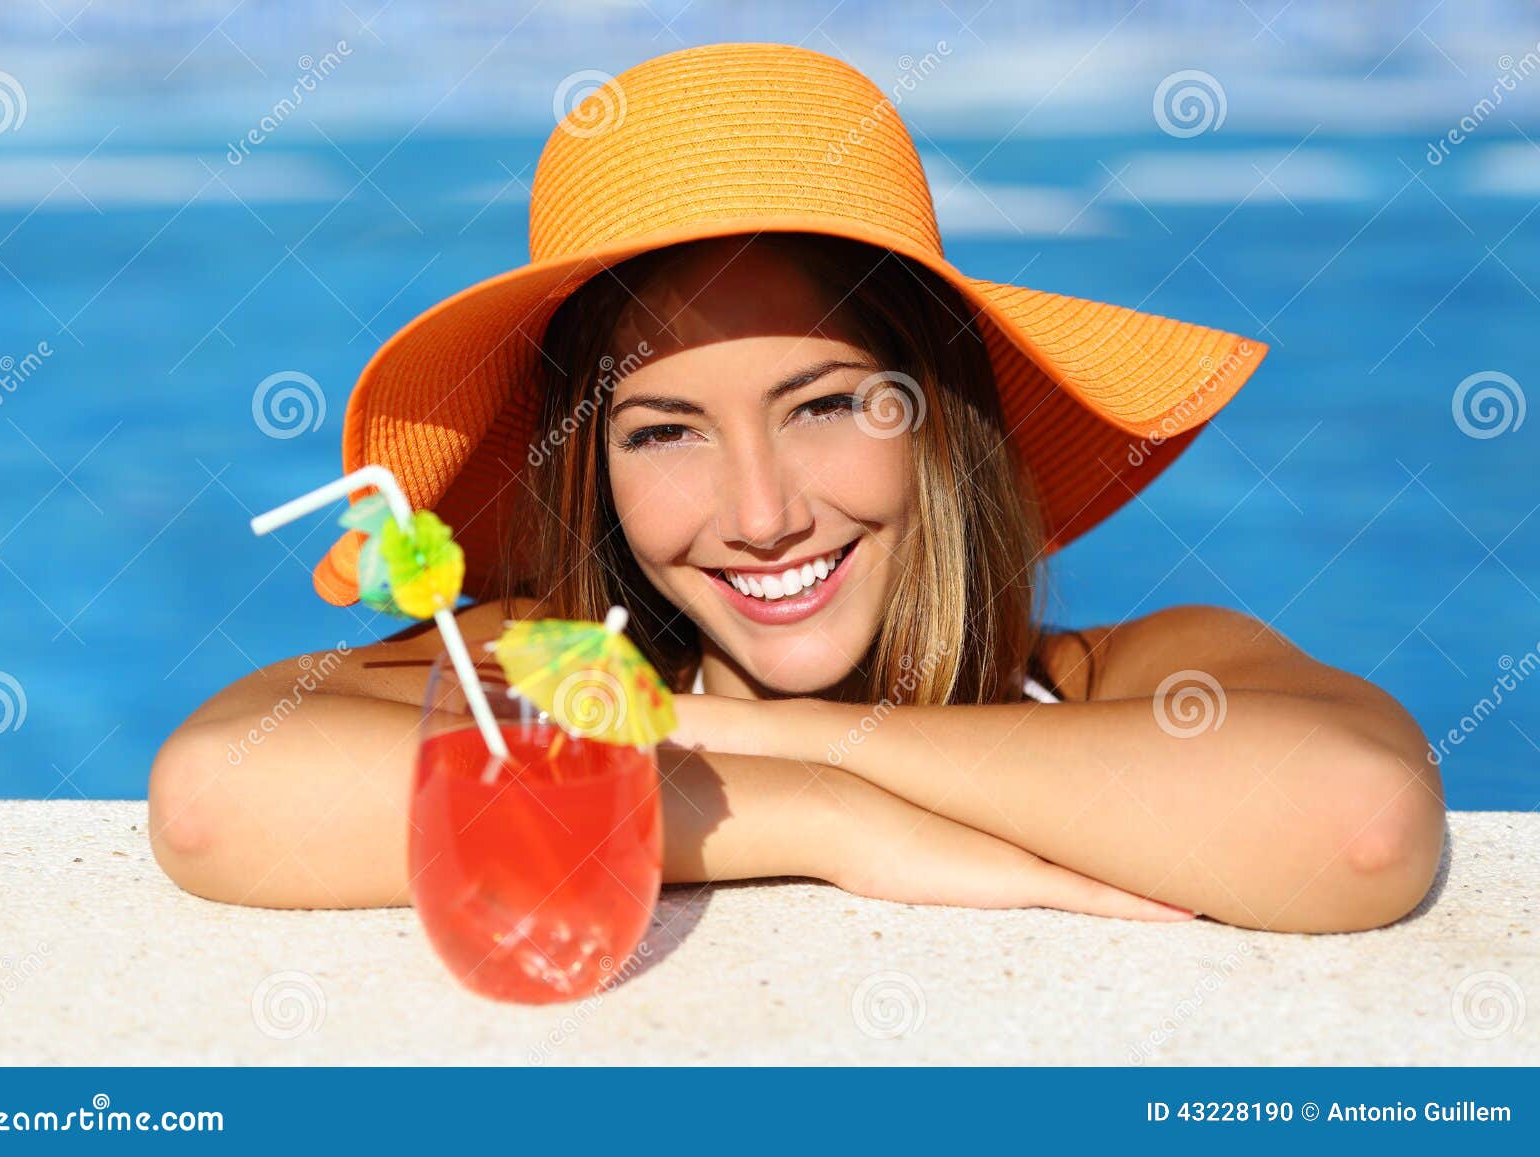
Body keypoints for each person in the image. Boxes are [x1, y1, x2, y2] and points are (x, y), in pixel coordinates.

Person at [150, 43, 1443, 932]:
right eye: (663, 432)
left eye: (824, 406)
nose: (762, 513)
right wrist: (822, 819)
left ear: (941, 415)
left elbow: (1360, 822)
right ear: (591, 471)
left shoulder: (1133, 666)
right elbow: (221, 794)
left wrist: (753, 739)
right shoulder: (535, 665)